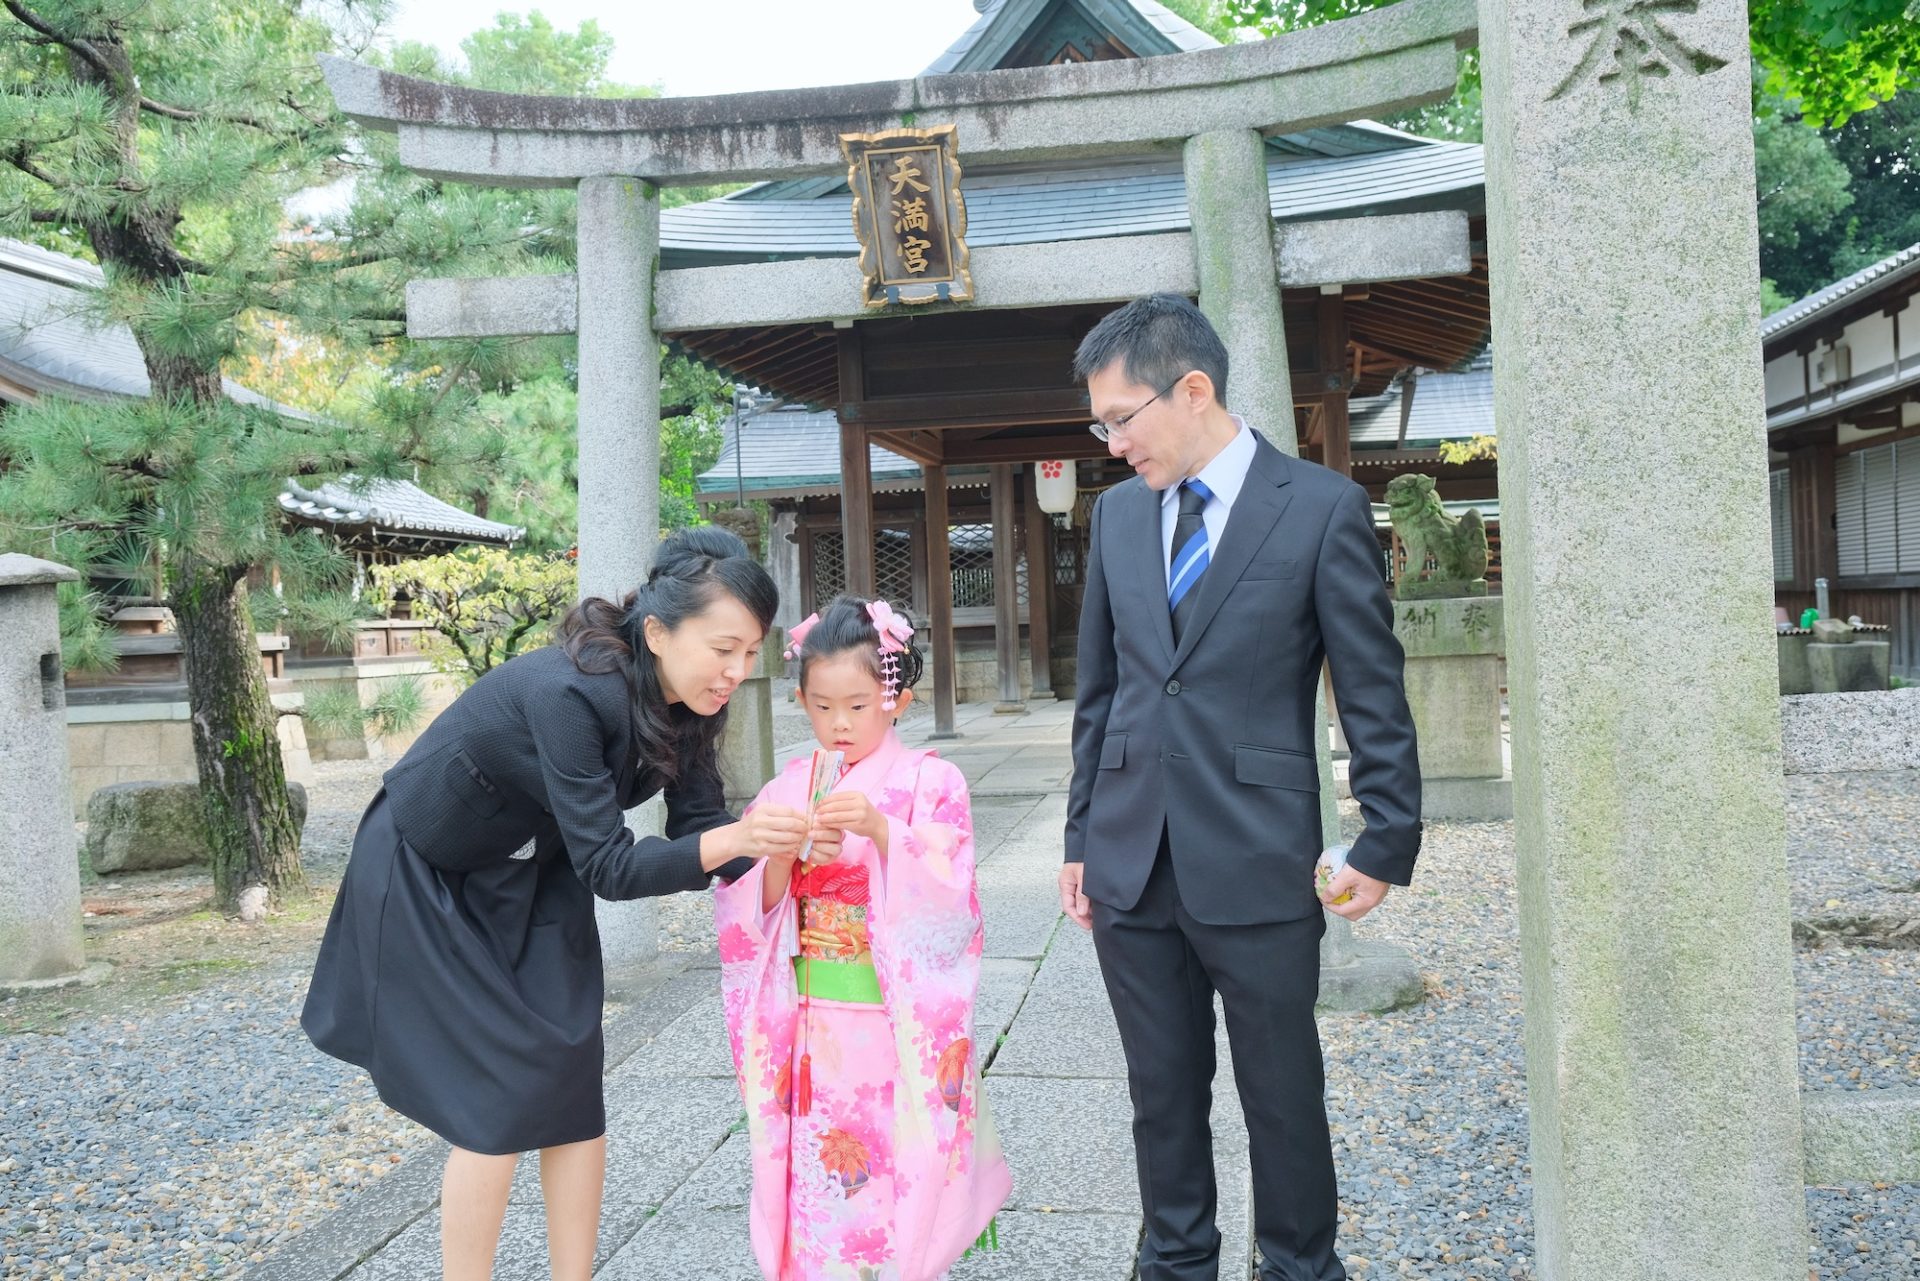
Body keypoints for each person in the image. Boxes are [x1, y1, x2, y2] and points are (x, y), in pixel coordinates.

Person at [302, 526, 829, 1281]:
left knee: (571, 1076)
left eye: (751, 652)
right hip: (429, 863)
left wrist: (787, 835)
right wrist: (739, 839)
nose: (736, 672)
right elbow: (611, 867)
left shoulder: (689, 702)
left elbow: (704, 830)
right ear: (656, 630)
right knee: (498, 1096)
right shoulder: (569, 693)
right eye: (723, 648)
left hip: (534, 865)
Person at [1060, 294, 1421, 1281]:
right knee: (1160, 1092)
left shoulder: (1318, 508)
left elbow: (1371, 689)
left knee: (1282, 1093)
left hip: (1260, 856)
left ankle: (1300, 1266)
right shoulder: (1119, 519)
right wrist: (1080, 838)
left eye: (1121, 419)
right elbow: (1104, 694)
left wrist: (1385, 839)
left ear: (1194, 390)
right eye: (1101, 425)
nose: (1112, 444)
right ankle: (1175, 1263)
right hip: (1133, 859)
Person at [713, 595, 1011, 1281]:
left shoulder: (931, 781)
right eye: (821, 706)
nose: (838, 723)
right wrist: (781, 856)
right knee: (825, 1183)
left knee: (895, 1180)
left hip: (891, 1023)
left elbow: (951, 893)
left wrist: (882, 831)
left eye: (855, 704)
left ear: (896, 697)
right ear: (801, 699)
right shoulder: (788, 785)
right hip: (814, 1026)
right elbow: (743, 910)